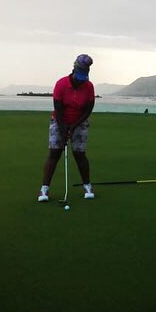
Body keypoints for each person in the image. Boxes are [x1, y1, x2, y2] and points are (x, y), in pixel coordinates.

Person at [38, 54, 95, 202]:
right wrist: (64, 130)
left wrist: (74, 126)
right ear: (74, 70)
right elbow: (58, 109)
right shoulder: (61, 84)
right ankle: (44, 190)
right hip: (59, 120)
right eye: (79, 76)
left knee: (79, 154)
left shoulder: (88, 87)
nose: (80, 81)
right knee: (55, 153)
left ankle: (87, 186)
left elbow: (88, 110)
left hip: (80, 121)